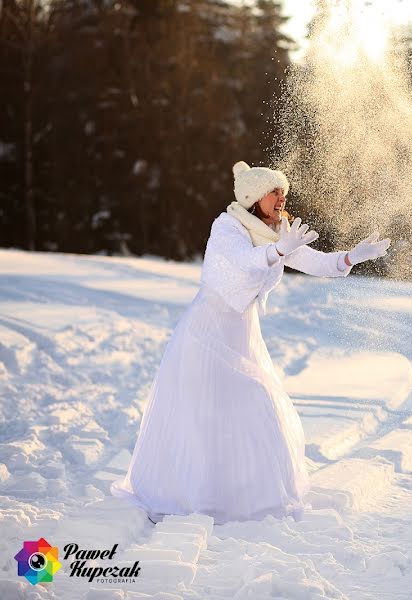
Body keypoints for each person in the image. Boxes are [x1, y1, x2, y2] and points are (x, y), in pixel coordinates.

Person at [111, 161, 391, 525]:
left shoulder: (279, 231)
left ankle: (242, 498)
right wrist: (279, 251)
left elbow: (317, 263)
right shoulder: (226, 226)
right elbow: (244, 263)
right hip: (207, 331)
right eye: (275, 191)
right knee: (206, 411)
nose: (282, 197)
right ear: (254, 197)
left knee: (249, 407)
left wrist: (353, 256)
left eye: (283, 192)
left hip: (242, 333)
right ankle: (191, 494)